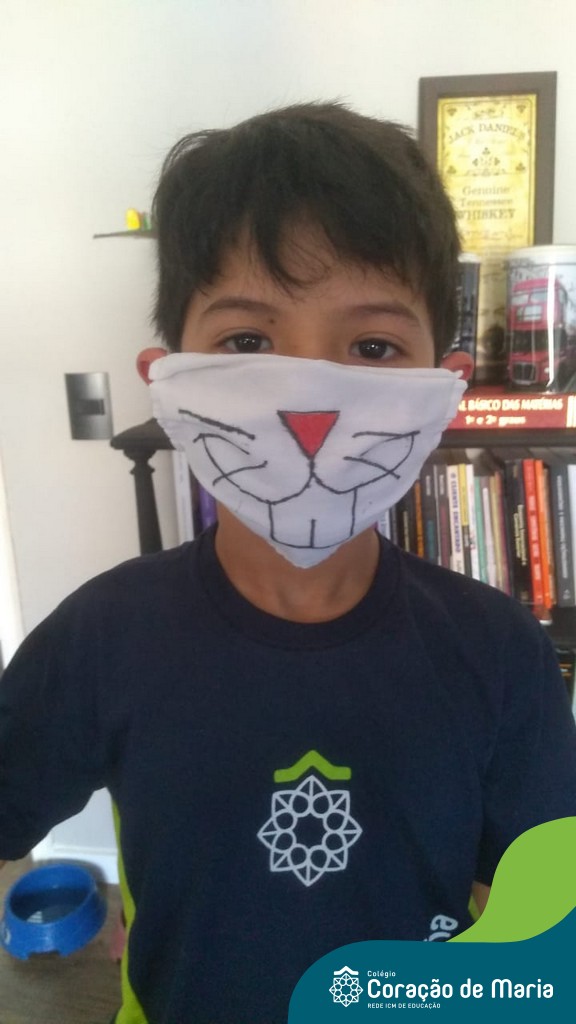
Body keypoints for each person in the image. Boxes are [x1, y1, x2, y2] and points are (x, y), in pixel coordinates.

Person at [1, 101, 576, 1024]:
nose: (310, 405)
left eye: (374, 347)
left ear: (445, 387)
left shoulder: (499, 652)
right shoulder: (103, 637)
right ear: (168, 380)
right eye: (247, 343)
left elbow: (536, 934)